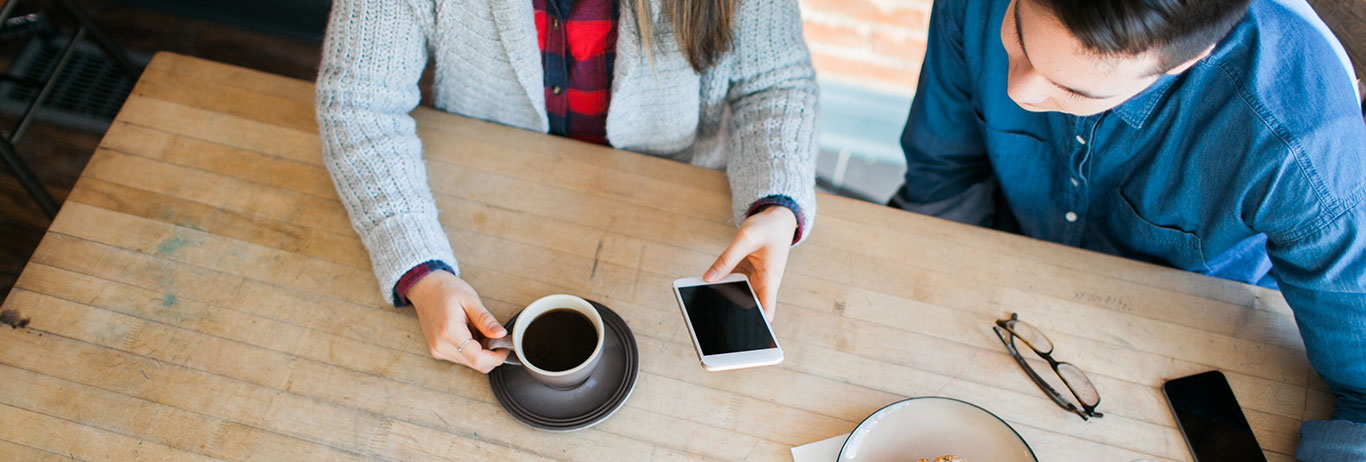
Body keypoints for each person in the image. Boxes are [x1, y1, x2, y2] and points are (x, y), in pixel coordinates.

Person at [891, 0, 1365, 458]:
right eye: (1017, 35)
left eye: (1076, 90)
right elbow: (943, 177)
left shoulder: (1305, 148)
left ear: (1188, 59)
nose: (1020, 91)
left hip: (1199, 347)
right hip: (1005, 296)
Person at [316, 0, 817, 373]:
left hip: (667, 218)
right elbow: (359, 100)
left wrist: (777, 202)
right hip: (477, 210)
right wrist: (419, 268)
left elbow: (774, 84)